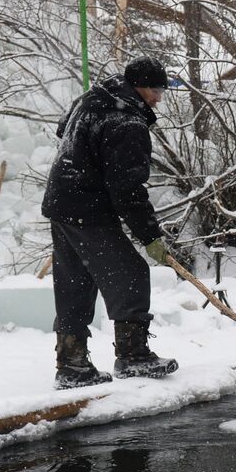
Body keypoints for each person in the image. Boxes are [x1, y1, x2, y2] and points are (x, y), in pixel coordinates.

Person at [42, 56, 180, 389]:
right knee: (131, 274)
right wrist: (150, 237)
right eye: (157, 90)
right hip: (88, 207)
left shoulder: (94, 97)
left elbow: (64, 129)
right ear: (140, 87)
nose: (159, 98)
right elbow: (128, 188)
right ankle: (133, 356)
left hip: (61, 201)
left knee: (75, 280)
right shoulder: (127, 123)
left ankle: (72, 364)